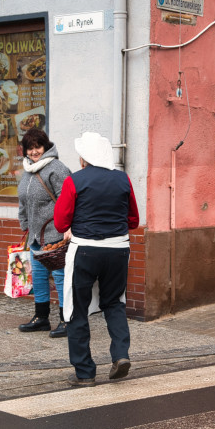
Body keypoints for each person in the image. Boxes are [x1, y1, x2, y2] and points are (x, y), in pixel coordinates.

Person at [54, 131, 139, 386]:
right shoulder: (123, 179)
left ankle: (84, 372)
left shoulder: (74, 181)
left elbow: (60, 222)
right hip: (118, 250)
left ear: (84, 159)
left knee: (77, 309)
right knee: (114, 303)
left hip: (85, 250)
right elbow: (133, 220)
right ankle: (120, 355)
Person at [17, 128, 71, 337]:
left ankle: (67, 320)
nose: (33, 152)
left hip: (55, 233)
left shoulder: (56, 169)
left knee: (60, 277)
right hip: (36, 235)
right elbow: (23, 201)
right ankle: (41, 318)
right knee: (38, 276)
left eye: (37, 147)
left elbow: (68, 200)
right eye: (29, 148)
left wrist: (67, 227)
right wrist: (24, 224)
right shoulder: (28, 170)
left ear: (45, 147)